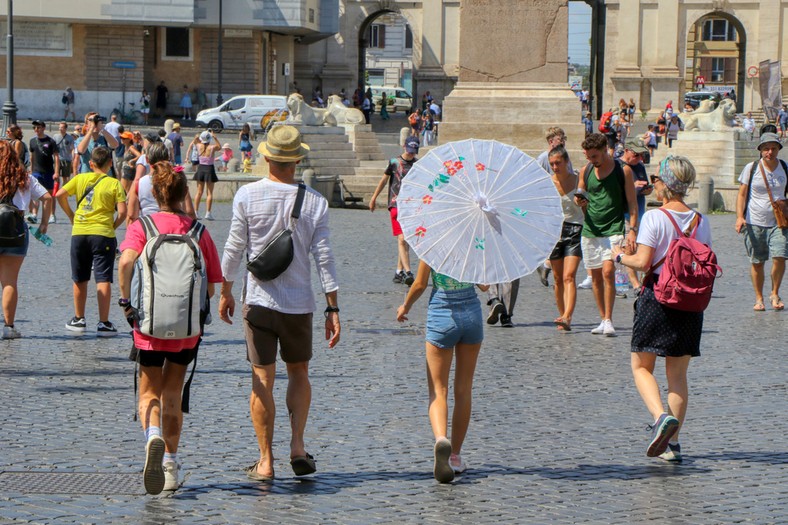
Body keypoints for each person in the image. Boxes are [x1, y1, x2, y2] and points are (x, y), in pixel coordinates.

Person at [219, 125, 340, 482]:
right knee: (299, 373)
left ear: (266, 157)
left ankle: (265, 460)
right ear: (298, 159)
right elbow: (325, 259)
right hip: (299, 303)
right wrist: (333, 308)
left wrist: (225, 291)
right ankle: (298, 446)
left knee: (261, 379)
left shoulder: (246, 196)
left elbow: (233, 248)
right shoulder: (316, 202)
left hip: (258, 302)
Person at [118, 161, 222, 494]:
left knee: (149, 390)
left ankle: (153, 437)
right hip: (187, 327)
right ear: (183, 193)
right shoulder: (199, 232)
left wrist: (126, 302)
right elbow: (211, 285)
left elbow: (124, 262)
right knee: (173, 393)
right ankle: (171, 465)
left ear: (155, 192)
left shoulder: (142, 227)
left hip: (148, 323)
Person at [612, 155, 711, 463]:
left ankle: (659, 419)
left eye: (656, 180)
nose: (653, 185)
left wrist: (618, 256)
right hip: (690, 302)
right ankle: (674, 444)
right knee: (678, 375)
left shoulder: (655, 218)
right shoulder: (701, 221)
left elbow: (642, 263)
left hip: (658, 296)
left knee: (641, 366)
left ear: (666, 184)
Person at [396, 261, 488, 482]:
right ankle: (455, 456)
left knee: (438, 389)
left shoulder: (435, 246)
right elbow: (485, 286)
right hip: (472, 315)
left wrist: (405, 306)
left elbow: (419, 283)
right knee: (464, 390)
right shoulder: (475, 246)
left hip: (442, 313)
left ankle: (440, 440)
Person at [56, 146, 127, 336]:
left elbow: (59, 195)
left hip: (79, 232)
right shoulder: (114, 184)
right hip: (103, 233)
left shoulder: (79, 179)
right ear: (110, 164)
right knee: (103, 278)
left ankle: (79, 319)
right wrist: (113, 225)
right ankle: (103, 323)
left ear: (91, 163)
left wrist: (71, 215)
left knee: (80, 277)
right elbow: (122, 212)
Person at [575, 133, 639, 336]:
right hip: (591, 228)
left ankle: (609, 319)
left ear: (605, 150)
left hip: (614, 227)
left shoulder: (623, 170)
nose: (591, 160)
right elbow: (581, 194)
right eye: (588, 156)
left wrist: (632, 230)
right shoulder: (586, 171)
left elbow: (632, 202)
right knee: (595, 277)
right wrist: (580, 202)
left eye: (594, 156)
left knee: (608, 272)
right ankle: (603, 318)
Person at [0, 141, 53, 339]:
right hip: (16, 232)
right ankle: (9, 327)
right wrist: (43, 224)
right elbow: (47, 198)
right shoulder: (25, 178)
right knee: (9, 282)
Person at [735, 132, 788, 311]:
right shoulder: (752, 168)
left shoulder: (785, 167)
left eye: (773, 148)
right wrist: (739, 217)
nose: (770, 152)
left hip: (779, 222)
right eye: (766, 149)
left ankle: (774, 292)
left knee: (780, 256)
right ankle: (759, 298)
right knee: (757, 261)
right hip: (754, 220)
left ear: (778, 149)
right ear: (760, 150)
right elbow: (742, 194)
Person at [369, 135, 420, 285]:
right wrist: (373, 198)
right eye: (410, 150)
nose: (411, 154)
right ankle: (409, 273)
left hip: (411, 205)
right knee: (402, 238)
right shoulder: (394, 162)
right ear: (404, 146)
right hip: (395, 204)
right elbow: (384, 180)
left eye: (414, 151)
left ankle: (399, 271)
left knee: (406, 240)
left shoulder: (418, 165)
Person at [547, 146, 584, 332]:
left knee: (569, 275)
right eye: (552, 163)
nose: (555, 167)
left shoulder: (578, 180)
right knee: (557, 277)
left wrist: (583, 203)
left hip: (575, 229)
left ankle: (568, 316)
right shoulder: (547, 184)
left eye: (558, 163)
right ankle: (562, 314)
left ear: (567, 162)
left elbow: (588, 208)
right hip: (555, 231)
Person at [620, 138, 653, 292]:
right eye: (636, 154)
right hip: (624, 214)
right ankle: (635, 284)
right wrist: (632, 186)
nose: (639, 158)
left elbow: (643, 183)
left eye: (641, 155)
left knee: (641, 248)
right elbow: (616, 192)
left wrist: (646, 189)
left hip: (640, 212)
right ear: (626, 150)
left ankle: (641, 282)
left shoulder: (639, 166)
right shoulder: (617, 166)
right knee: (629, 248)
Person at [28, 120, 60, 224]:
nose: (36, 129)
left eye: (38, 127)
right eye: (34, 128)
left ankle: (52, 214)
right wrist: (31, 171)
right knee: (35, 193)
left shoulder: (50, 141)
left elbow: (56, 157)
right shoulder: (32, 141)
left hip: (48, 172)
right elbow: (32, 157)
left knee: (50, 195)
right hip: (36, 172)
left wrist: (56, 172)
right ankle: (34, 214)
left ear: (43, 128)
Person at [193, 131, 220, 220]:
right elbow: (219, 147)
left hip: (201, 168)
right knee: (209, 193)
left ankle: (196, 212)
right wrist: (215, 137)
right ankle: (208, 213)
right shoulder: (211, 147)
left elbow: (195, 141)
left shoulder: (198, 146)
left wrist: (197, 137)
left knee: (199, 192)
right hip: (209, 169)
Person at [53, 121, 75, 186]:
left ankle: (63, 191)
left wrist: (72, 159)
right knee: (56, 176)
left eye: (62, 127)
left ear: (65, 128)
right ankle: (56, 191)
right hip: (57, 160)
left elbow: (72, 149)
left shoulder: (70, 138)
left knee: (65, 177)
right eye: (59, 127)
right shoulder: (55, 136)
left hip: (66, 159)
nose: (60, 129)